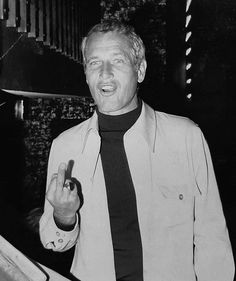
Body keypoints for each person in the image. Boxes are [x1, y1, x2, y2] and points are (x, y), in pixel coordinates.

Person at [39, 20, 235, 281]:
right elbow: (55, 242)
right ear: (85, 73)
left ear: (140, 70)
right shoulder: (66, 146)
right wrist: (64, 215)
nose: (104, 74)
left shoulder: (185, 137)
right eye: (94, 63)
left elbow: (212, 237)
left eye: (117, 61)